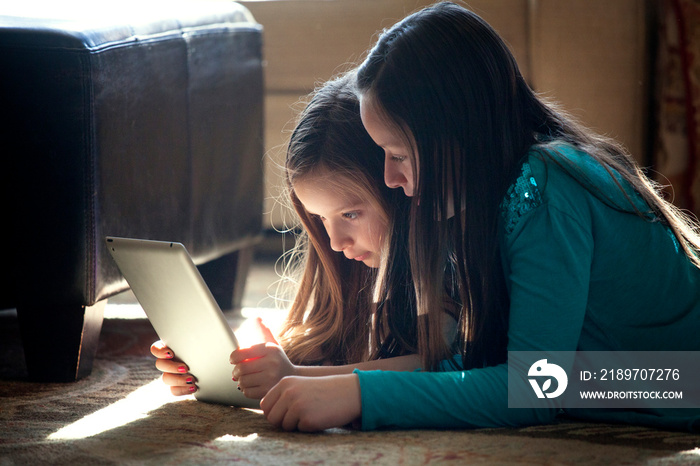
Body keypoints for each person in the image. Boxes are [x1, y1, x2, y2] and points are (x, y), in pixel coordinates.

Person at [259, 2, 700, 432]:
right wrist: (300, 378)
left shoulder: (545, 185)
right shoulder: (484, 204)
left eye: (399, 155)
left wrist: (359, 396)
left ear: (457, 134)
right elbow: (477, 364)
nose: (391, 178)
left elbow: (534, 388)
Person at [150, 73, 431, 402]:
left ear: (399, 185)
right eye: (320, 218)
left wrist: (297, 376)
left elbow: (444, 367)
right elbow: (323, 346)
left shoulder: (447, 263)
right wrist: (238, 365)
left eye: (350, 215)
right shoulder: (352, 272)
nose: (335, 243)